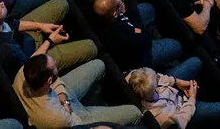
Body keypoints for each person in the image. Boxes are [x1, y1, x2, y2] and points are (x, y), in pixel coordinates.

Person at [0, 0, 97, 83]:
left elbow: (14, 23)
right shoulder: (7, 51)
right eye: (0, 8)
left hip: (24, 37)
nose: (2, 3)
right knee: (90, 47)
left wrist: (41, 26)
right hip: (33, 60)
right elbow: (29, 66)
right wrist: (50, 41)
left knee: (61, 3)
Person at [13, 54, 142, 129]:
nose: (56, 62)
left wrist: (62, 95)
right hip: (73, 116)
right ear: (49, 80)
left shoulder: (23, 73)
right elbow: (75, 122)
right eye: (54, 66)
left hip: (59, 97)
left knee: (99, 64)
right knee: (135, 112)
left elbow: (56, 81)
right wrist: (67, 105)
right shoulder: (54, 118)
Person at [90, 0, 188, 73]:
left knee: (148, 8)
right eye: (121, 3)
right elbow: (147, 41)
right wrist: (139, 31)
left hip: (132, 34)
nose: (124, 3)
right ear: (115, 14)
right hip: (138, 60)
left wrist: (136, 29)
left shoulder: (100, 15)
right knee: (176, 46)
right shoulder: (122, 35)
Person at [125, 66, 220, 129]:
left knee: (197, 61)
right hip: (184, 110)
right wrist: (192, 98)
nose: (159, 78)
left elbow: (161, 78)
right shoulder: (161, 118)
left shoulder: (134, 76)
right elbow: (182, 120)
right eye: (157, 79)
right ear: (153, 90)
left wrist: (180, 83)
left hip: (176, 93)